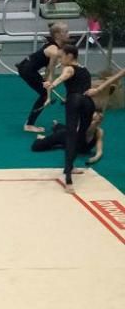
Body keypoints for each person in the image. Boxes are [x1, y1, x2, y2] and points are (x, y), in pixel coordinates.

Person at [44, 44, 95, 192]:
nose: (60, 59)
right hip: (88, 103)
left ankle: (68, 179)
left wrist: (51, 85)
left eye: (62, 56)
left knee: (71, 135)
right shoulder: (85, 69)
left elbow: (64, 76)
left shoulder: (69, 68)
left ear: (70, 56)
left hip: (74, 101)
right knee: (81, 134)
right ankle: (71, 166)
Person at [16, 21, 69, 133]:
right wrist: (48, 95)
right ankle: (29, 125)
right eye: (66, 32)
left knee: (45, 92)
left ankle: (30, 122)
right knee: (44, 95)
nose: (69, 34)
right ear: (58, 35)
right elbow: (51, 73)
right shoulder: (54, 51)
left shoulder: (54, 47)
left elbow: (48, 70)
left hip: (27, 67)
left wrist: (48, 84)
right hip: (27, 70)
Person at [30, 111, 104, 167]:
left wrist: (94, 159)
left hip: (68, 135)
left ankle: (57, 125)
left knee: (64, 128)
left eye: (94, 121)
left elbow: (99, 152)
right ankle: (47, 134)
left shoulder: (99, 132)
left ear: (98, 123)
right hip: (64, 137)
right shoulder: (80, 130)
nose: (90, 122)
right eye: (90, 119)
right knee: (36, 146)